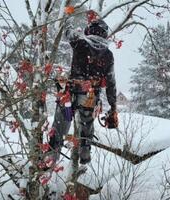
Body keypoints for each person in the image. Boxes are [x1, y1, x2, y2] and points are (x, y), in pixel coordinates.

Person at [48, 14, 118, 165]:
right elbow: (111, 83)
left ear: (89, 30)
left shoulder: (80, 44)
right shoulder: (108, 55)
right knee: (86, 123)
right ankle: (84, 153)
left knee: (62, 122)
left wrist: (68, 17)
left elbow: (67, 32)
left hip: (71, 91)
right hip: (89, 95)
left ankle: (51, 157)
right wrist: (113, 106)